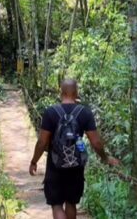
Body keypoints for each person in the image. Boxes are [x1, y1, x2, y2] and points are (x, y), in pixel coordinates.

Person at [28, 79, 120, 219]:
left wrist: (34, 161)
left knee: (57, 204)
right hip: (76, 166)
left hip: (55, 165)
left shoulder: (50, 112)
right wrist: (105, 158)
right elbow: (96, 142)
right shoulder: (85, 113)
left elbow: (41, 142)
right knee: (71, 203)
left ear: (61, 92)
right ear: (76, 92)